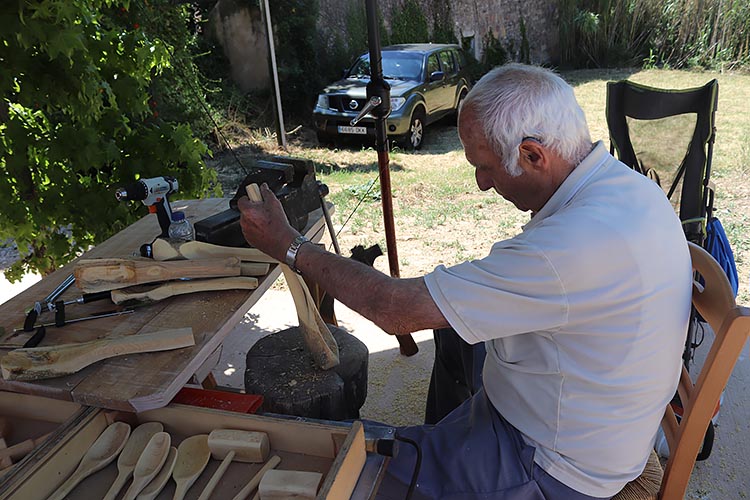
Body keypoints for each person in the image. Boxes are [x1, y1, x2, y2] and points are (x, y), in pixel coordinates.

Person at [238, 63, 692, 499]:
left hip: (552, 463)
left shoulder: (570, 249)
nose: (481, 184)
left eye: (486, 167)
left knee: (356, 478)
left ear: (533, 155)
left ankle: (431, 462)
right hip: (585, 416)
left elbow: (395, 309)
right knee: (452, 337)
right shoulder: (627, 188)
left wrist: (289, 244)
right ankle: (438, 449)